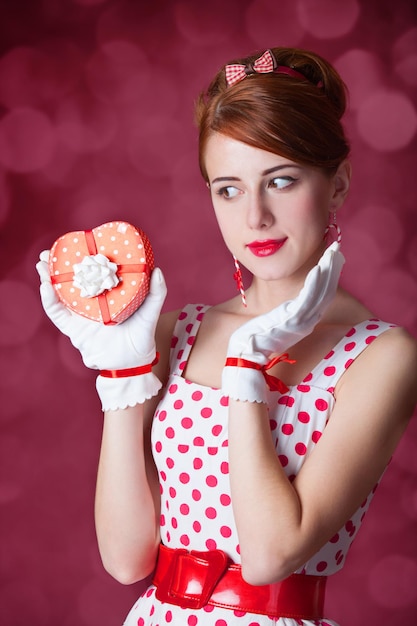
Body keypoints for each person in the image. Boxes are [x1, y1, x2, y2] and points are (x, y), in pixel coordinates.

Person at [36, 47, 417, 626]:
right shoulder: (178, 330)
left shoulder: (381, 356)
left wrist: (247, 371)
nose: (255, 217)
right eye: (229, 188)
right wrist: (121, 379)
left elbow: (269, 555)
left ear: (336, 185)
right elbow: (124, 558)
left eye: (281, 181)